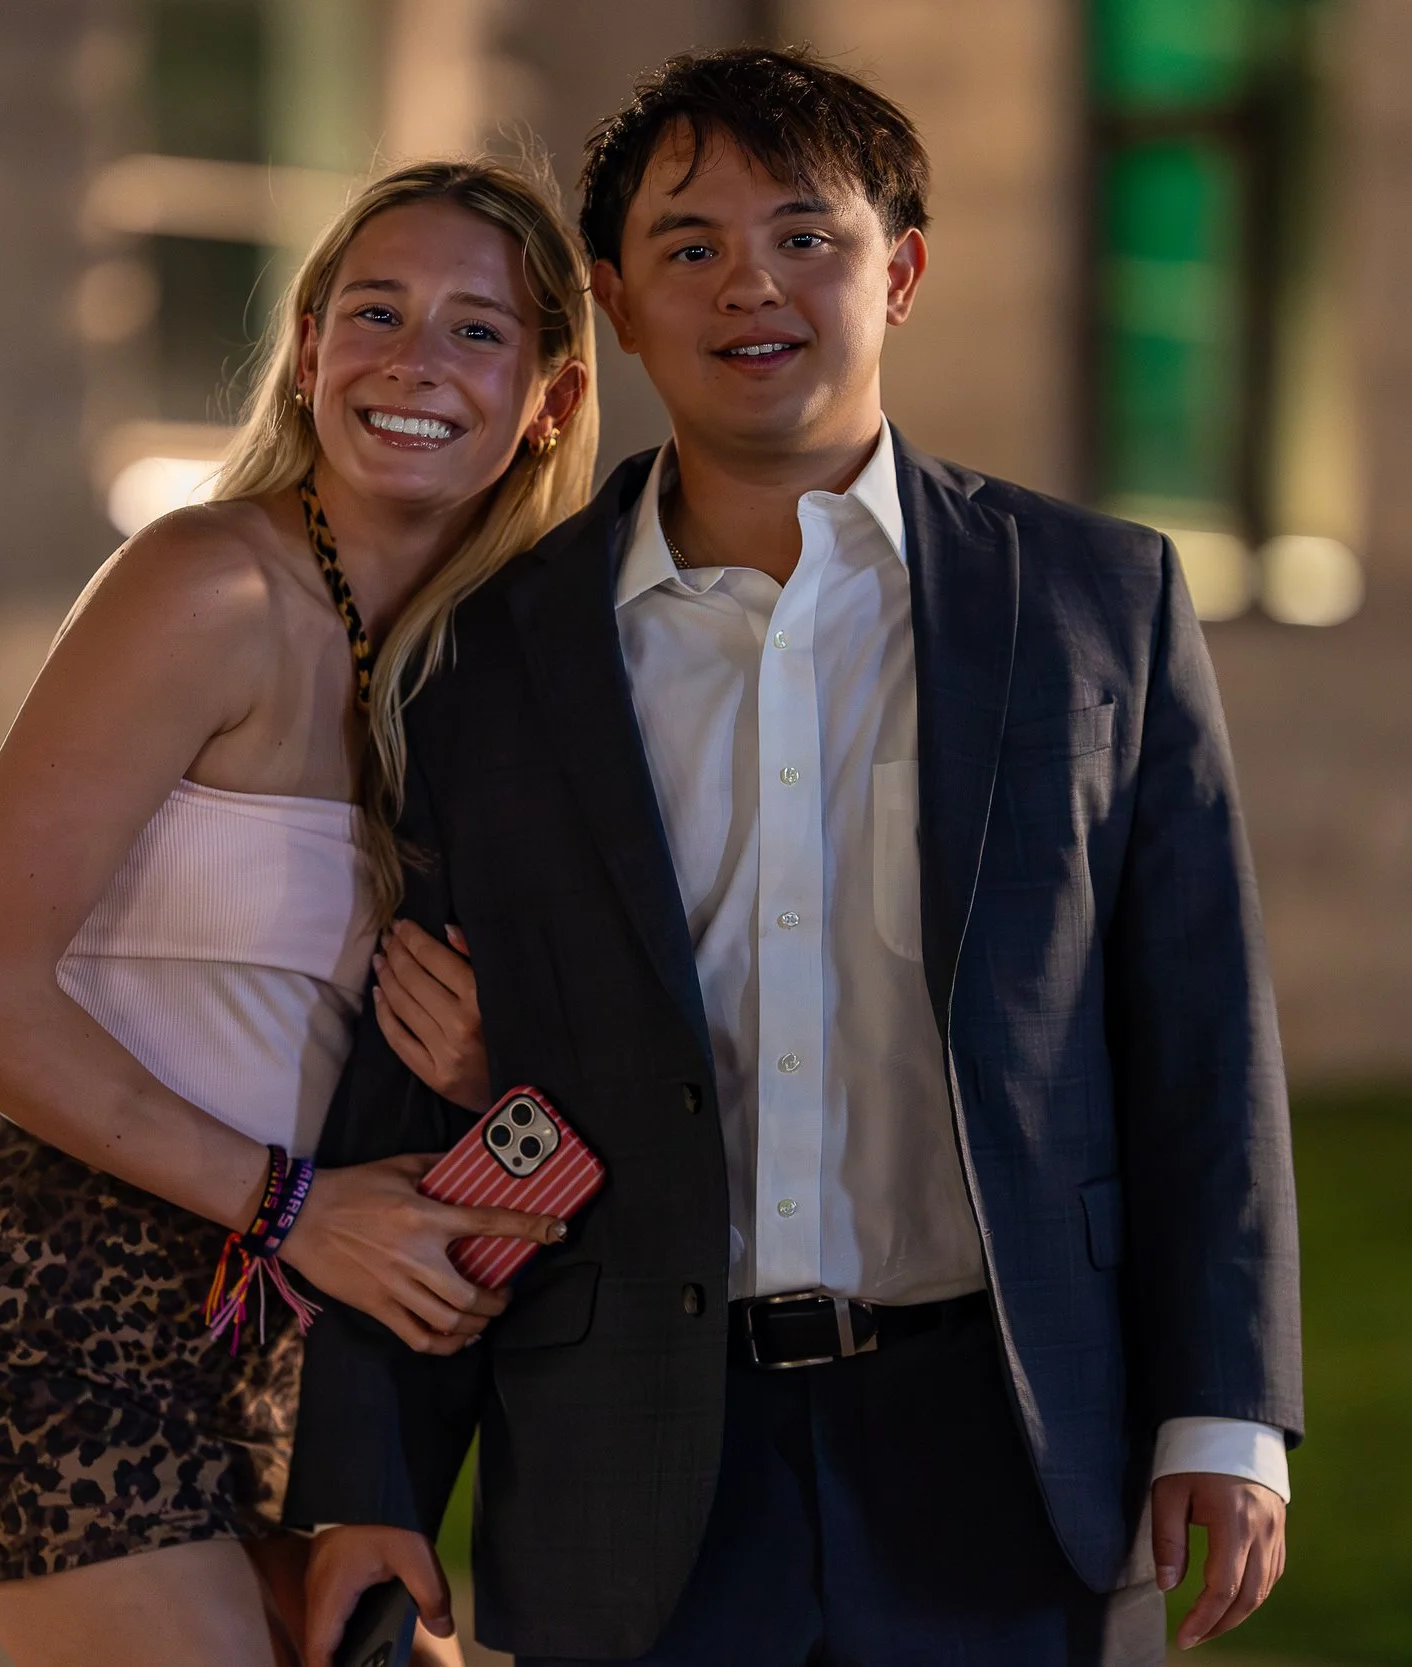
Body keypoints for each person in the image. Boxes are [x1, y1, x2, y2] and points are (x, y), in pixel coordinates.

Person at [291, 49, 1303, 1667]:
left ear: (898, 270)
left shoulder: (1099, 602)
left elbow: (1196, 1032)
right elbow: (418, 1079)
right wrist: (368, 1477)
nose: (749, 283)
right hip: (630, 1471)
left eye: (806, 236)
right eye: (688, 246)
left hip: (1012, 1451)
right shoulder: (492, 654)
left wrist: (1226, 1407)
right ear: (616, 303)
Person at [0, 159, 596, 1667]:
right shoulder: (207, 586)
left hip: (297, 1332)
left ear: (547, 394)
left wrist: (472, 1074)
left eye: (476, 330)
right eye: (376, 313)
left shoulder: (494, 665)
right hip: (63, 1306)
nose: (413, 359)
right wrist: (292, 1207)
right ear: (312, 346)